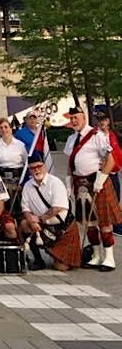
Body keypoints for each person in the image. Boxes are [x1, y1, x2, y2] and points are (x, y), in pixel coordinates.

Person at [64, 105, 122, 270]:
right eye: (72, 118)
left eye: (77, 117)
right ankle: (96, 255)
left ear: (84, 118)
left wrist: (101, 180)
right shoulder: (71, 139)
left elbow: (110, 160)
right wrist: (68, 184)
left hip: (97, 182)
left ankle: (109, 258)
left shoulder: (96, 135)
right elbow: (70, 164)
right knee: (89, 223)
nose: (74, 121)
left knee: (104, 222)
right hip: (80, 184)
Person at [20, 153, 80, 271]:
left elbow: (57, 208)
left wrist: (39, 219)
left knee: (61, 267)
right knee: (24, 224)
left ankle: (82, 255)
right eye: (33, 168)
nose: (37, 170)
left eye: (39, 166)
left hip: (63, 228)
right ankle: (38, 260)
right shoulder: (27, 186)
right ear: (29, 170)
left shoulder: (56, 183)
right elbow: (25, 208)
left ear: (44, 166)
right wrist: (31, 221)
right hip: (42, 225)